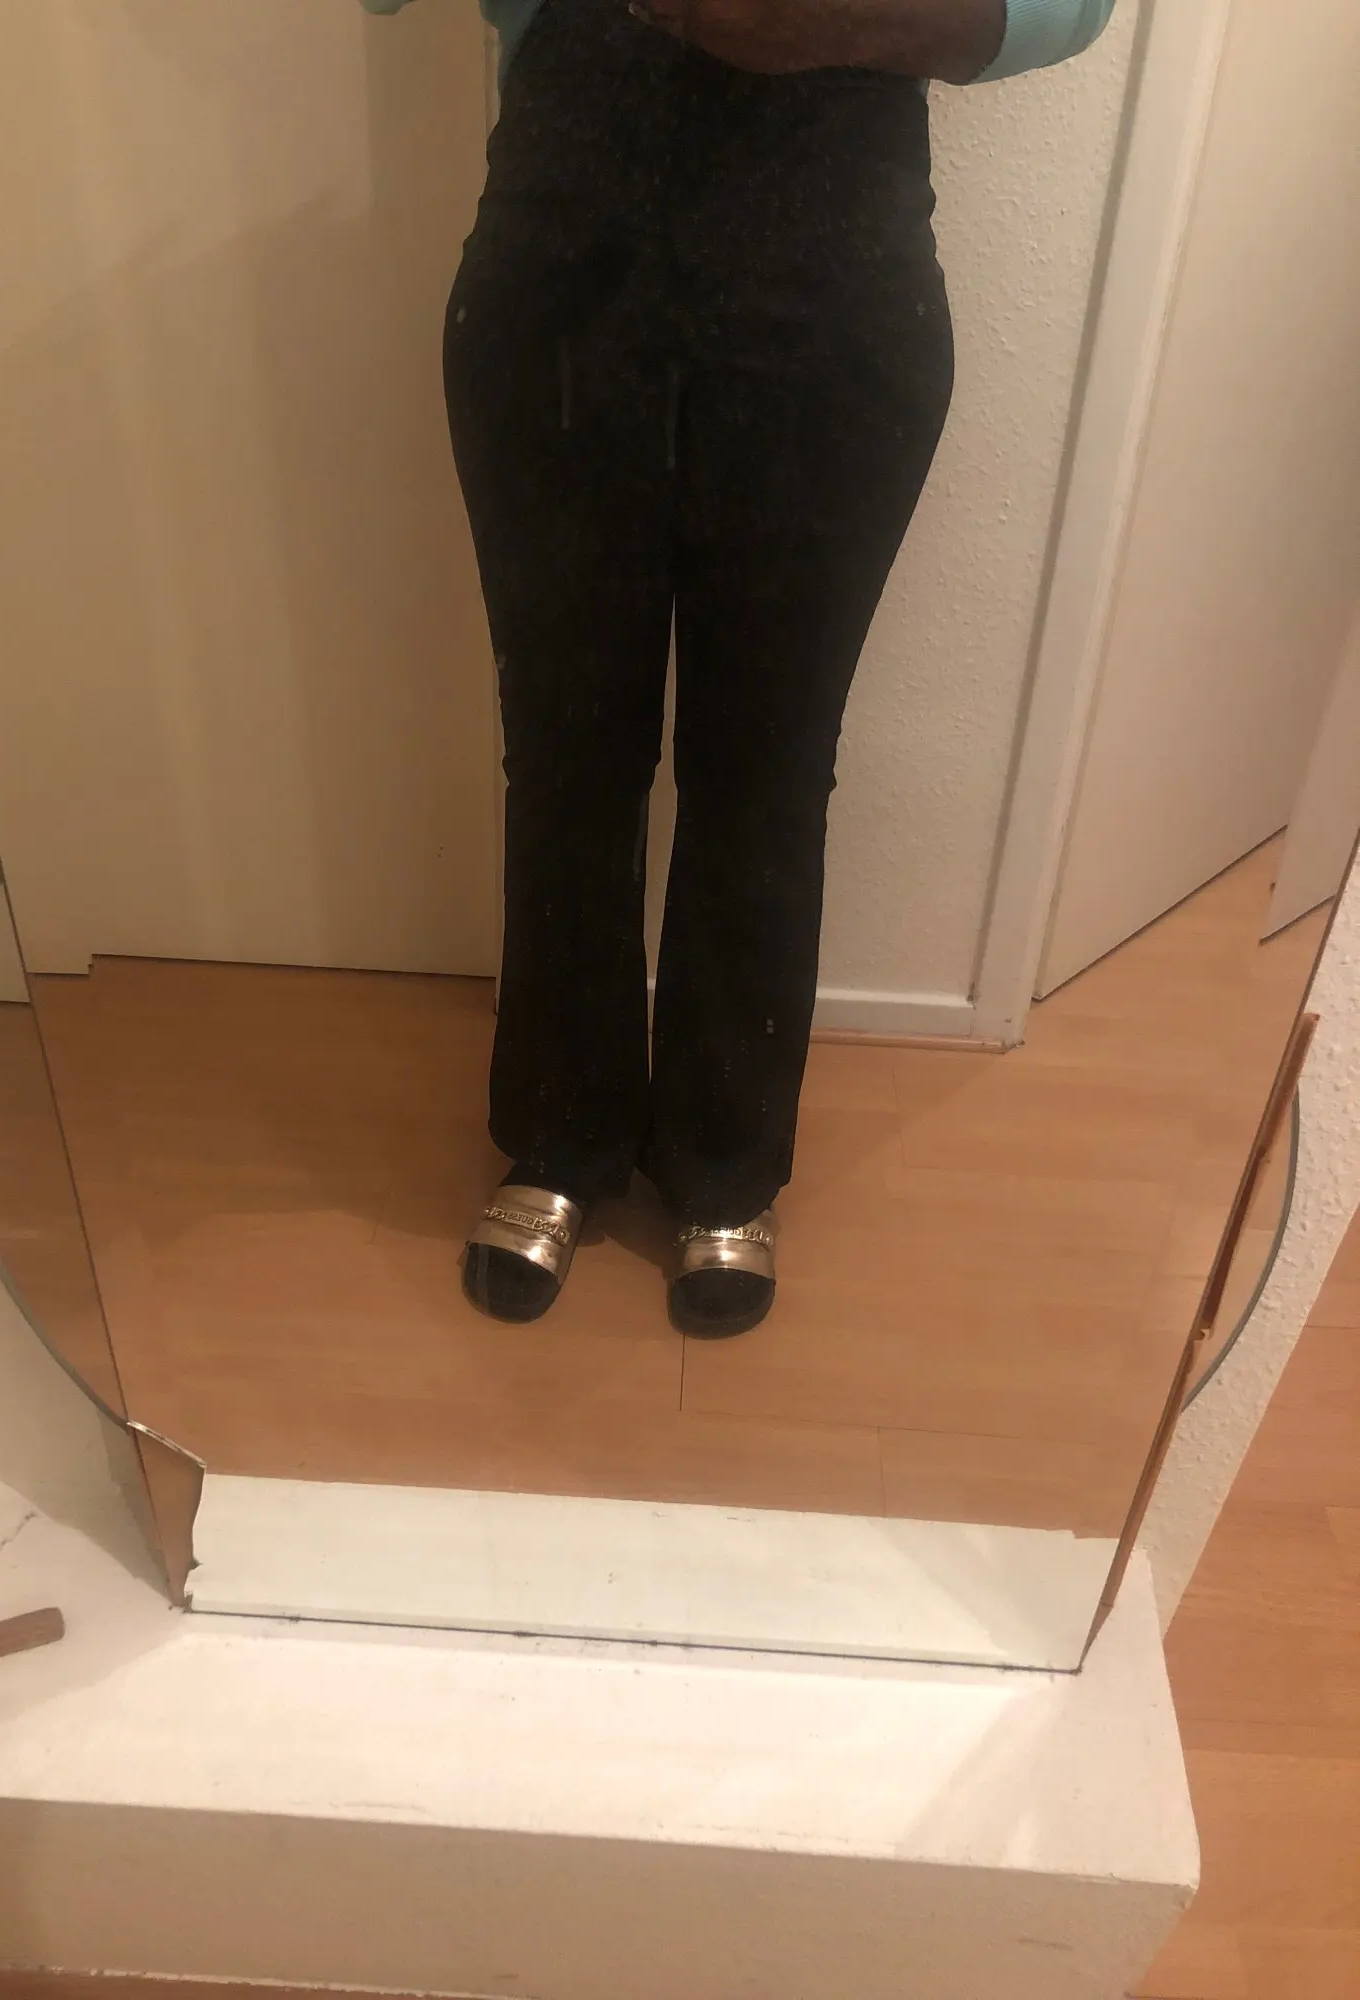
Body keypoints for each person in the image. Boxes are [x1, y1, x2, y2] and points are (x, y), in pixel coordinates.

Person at [362, 0, 1117, 1333]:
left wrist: (863, 17)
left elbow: (1072, 9)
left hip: (834, 285)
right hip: (560, 271)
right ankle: (561, 1132)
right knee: (565, 746)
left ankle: (725, 1152)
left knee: (767, 763)